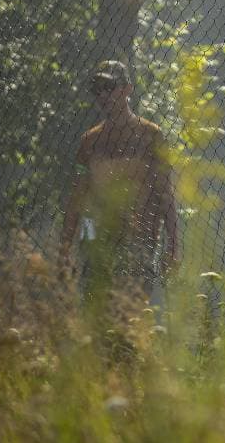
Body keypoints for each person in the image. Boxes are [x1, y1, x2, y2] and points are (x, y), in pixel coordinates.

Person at [59, 62, 178, 303]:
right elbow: (78, 197)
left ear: (127, 89)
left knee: (132, 314)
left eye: (109, 87)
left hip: (139, 240)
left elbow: (165, 192)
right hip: (96, 242)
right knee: (97, 313)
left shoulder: (151, 135)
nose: (102, 95)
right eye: (97, 89)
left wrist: (174, 245)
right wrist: (65, 250)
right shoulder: (90, 141)